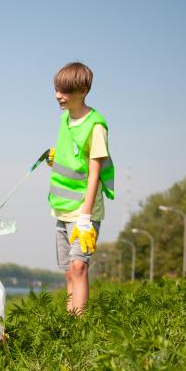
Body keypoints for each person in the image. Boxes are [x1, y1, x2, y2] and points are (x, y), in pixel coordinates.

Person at [46, 62, 114, 313]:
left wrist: (85, 218)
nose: (57, 96)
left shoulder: (96, 126)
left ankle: (80, 327)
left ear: (83, 90)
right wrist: (58, 157)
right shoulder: (65, 119)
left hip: (84, 213)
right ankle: (69, 324)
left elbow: (95, 174)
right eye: (56, 89)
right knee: (68, 272)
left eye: (64, 91)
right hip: (62, 209)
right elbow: (74, 155)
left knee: (79, 267)